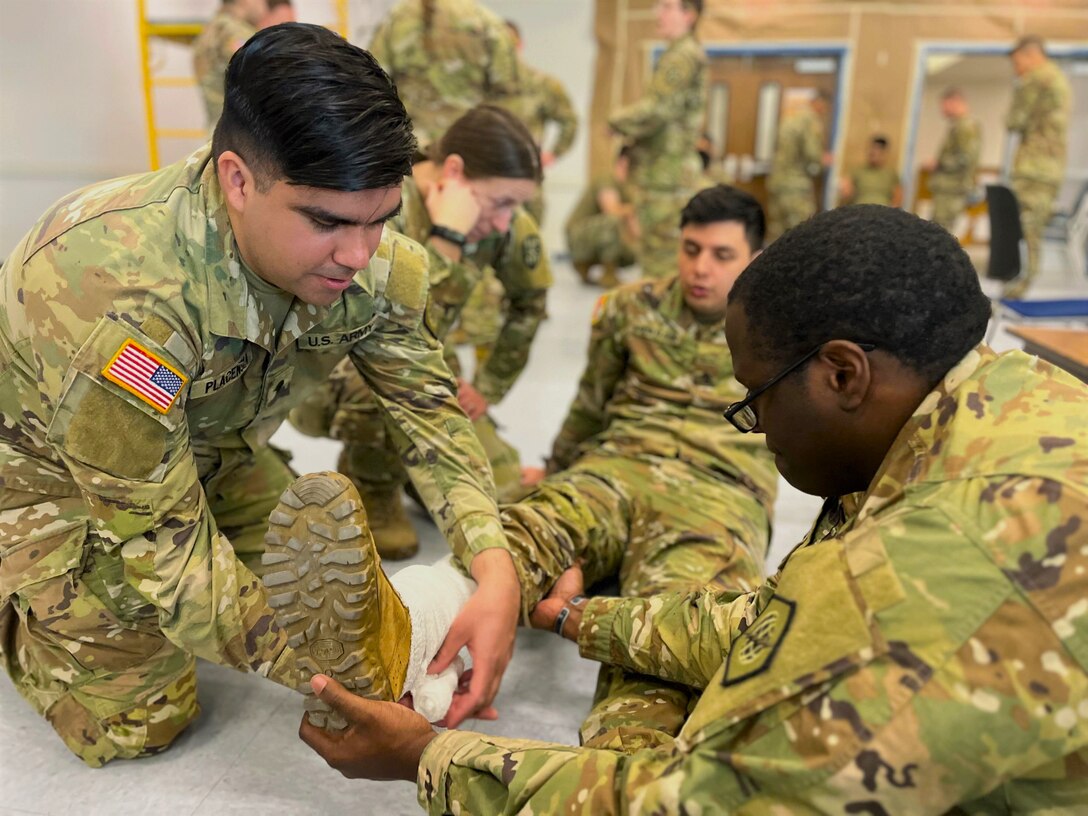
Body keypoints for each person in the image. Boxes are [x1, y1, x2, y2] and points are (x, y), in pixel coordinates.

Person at [295, 205, 1088, 813]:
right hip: (621, 468)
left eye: (756, 402)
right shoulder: (1003, 411)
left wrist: (424, 758)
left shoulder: (936, 567)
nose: (757, 423)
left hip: (709, 503)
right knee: (541, 524)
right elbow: (772, 631)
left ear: (843, 376)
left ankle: (578, 723)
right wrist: (576, 620)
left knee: (671, 689)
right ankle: (407, 622)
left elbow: (701, 801)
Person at [0, 23, 521, 767]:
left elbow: (431, 416)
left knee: (343, 606)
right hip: (60, 483)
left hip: (212, 458)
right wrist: (334, 682)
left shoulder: (367, 258)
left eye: (382, 220)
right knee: (145, 719)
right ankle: (19, 606)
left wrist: (493, 565)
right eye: (329, 222)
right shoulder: (114, 299)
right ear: (239, 181)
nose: (359, 254)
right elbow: (165, 546)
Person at [269, 184, 778, 744]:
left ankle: (624, 764)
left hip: (718, 491)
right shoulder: (631, 308)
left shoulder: (779, 327)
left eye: (721, 255)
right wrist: (557, 468)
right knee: (523, 533)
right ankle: (400, 631)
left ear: (755, 258)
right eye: (690, 248)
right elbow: (591, 403)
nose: (700, 267)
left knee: (676, 628)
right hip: (617, 467)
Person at [289, 105, 550, 556]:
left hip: (427, 363)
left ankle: (414, 475)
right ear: (454, 171)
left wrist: (488, 387)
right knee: (378, 386)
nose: (508, 221)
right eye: (502, 203)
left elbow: (531, 301)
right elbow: (385, 332)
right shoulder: (384, 207)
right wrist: (447, 238)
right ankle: (373, 483)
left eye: (518, 205)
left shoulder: (502, 224)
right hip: (342, 367)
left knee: (503, 492)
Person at [609, 0, 707, 280]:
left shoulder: (681, 55)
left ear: (689, 15)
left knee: (660, 263)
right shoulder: (680, 53)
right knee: (659, 257)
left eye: (666, 7)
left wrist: (615, 120)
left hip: (666, 177)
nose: (657, 13)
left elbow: (657, 108)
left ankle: (660, 321)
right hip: (664, 174)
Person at [368, 0, 522, 149]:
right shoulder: (487, 22)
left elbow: (373, 81)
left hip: (409, 144)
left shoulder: (398, 17)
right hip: (468, 147)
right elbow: (507, 92)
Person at [1004, 35, 1072, 298]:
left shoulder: (1035, 79)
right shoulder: (1058, 78)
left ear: (1029, 55)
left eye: (1017, 62)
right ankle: (1024, 281)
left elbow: (1014, 121)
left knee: (1026, 226)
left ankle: (1021, 285)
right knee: (1033, 227)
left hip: (1034, 167)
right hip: (1051, 167)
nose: (1016, 69)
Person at [501, 20, 578, 226]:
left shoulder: (542, 85)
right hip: (487, 180)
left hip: (528, 182)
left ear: (520, 45)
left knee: (527, 243)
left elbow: (569, 120)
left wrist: (553, 154)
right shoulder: (483, 86)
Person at [565, 146, 638, 287]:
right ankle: (605, 273)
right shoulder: (607, 179)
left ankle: (587, 265)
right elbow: (612, 211)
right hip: (578, 235)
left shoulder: (627, 188)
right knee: (612, 221)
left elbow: (635, 227)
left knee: (634, 252)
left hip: (594, 235)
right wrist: (636, 208)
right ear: (624, 162)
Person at [766, 90, 833, 242]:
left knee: (776, 233)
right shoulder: (810, 120)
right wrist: (823, 161)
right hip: (796, 186)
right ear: (820, 104)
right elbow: (812, 154)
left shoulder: (790, 118)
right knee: (801, 235)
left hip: (777, 182)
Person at [192, 0, 268, 128]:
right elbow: (264, 72)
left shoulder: (212, 28)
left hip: (220, 130)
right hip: (241, 133)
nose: (264, 6)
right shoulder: (235, 32)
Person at [924, 88, 982, 235]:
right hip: (948, 188)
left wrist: (939, 163)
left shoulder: (966, 126)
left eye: (944, 105)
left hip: (952, 188)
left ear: (954, 102)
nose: (942, 110)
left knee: (940, 233)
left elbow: (965, 157)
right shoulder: (958, 125)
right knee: (938, 230)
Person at [840, 135, 902, 208]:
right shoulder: (857, 171)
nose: (873, 152)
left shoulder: (891, 173)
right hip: (859, 210)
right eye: (871, 149)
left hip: (883, 213)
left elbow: (898, 196)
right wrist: (845, 190)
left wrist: (892, 210)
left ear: (884, 153)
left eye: (877, 149)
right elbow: (846, 192)